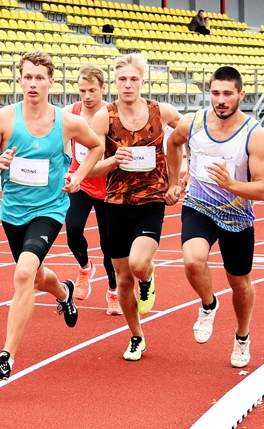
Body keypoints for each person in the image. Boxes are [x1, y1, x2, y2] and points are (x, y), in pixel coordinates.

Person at [0, 51, 103, 380]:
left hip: (49, 209)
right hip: (13, 212)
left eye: (39, 78)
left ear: (51, 82)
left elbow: (97, 146)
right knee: (34, 275)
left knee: (23, 275)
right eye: (27, 77)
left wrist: (78, 175)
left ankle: (7, 357)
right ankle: (63, 292)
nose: (33, 83)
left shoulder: (67, 121)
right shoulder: (3, 119)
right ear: (19, 80)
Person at [166, 66, 264, 368]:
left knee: (240, 284)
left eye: (227, 94)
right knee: (192, 259)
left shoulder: (253, 134)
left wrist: (231, 185)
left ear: (241, 94)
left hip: (237, 217)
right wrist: (175, 180)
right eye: (215, 93)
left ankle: (242, 336)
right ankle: (209, 304)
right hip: (199, 206)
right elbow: (173, 143)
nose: (221, 100)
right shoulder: (193, 123)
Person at [89, 53, 181, 361]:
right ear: (115, 82)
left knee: (139, 265)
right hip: (115, 202)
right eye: (122, 79)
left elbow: (190, 137)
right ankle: (136, 336)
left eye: (133, 79)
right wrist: (113, 160)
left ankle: (149, 275)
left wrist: (179, 180)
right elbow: (89, 167)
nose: (128, 85)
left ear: (143, 81)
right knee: (123, 278)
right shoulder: (105, 116)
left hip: (151, 200)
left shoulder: (160, 111)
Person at [63, 65, 119, 315]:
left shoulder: (112, 114)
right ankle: (85, 268)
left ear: (103, 89)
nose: (86, 96)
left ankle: (113, 291)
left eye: (92, 90)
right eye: (82, 90)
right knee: (73, 230)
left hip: (108, 186)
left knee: (110, 246)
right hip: (80, 182)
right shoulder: (71, 113)